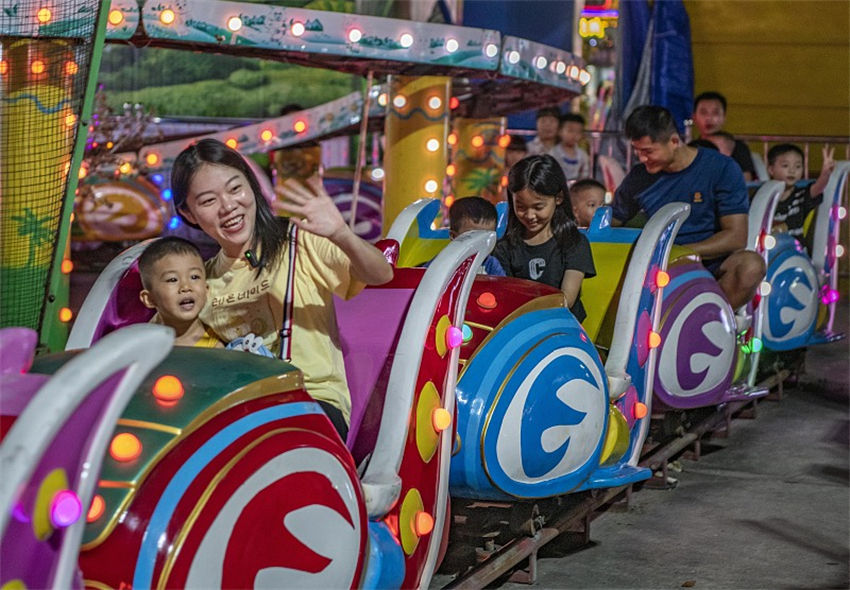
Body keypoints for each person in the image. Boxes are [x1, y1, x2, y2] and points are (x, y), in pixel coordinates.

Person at [171, 138, 393, 438]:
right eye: (208, 201)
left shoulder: (297, 240)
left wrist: (342, 234)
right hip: (238, 411)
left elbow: (380, 274)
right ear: (189, 214)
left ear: (251, 186)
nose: (228, 207)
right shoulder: (201, 281)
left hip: (311, 405)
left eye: (235, 189)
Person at [612, 105, 765, 310]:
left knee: (751, 265)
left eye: (648, 151)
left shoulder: (721, 168)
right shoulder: (639, 177)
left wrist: (680, 253)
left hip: (709, 261)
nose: (642, 158)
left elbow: (736, 236)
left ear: (674, 141)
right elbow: (612, 220)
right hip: (656, 265)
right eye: (638, 151)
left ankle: (714, 321)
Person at [494, 154, 596, 323]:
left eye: (538, 207)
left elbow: (566, 299)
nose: (530, 215)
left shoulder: (574, 243)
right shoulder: (505, 248)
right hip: (520, 326)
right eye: (521, 207)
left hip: (562, 328)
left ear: (558, 198)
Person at [138, 236, 223, 348]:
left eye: (194, 277)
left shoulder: (214, 348)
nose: (186, 287)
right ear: (149, 299)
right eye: (172, 279)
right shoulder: (142, 343)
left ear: (206, 289)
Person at [768, 144, 835, 240]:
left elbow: (819, 187)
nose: (792, 171)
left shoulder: (801, 195)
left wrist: (825, 173)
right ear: (771, 170)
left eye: (798, 166)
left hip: (795, 251)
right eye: (785, 166)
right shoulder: (763, 197)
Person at [692, 91, 757, 181]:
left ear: (724, 117)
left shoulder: (739, 148)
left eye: (715, 113)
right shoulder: (691, 148)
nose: (709, 118)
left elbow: (745, 182)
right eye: (704, 112)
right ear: (694, 117)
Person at [448, 197, 506, 276]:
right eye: (472, 237)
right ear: (453, 236)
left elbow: (501, 286)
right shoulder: (442, 264)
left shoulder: (490, 264)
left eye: (487, 238)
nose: (480, 244)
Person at [550, 113, 590, 180]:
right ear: (559, 131)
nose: (574, 135)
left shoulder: (583, 155)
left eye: (578, 132)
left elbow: (585, 174)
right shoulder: (553, 153)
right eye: (570, 131)